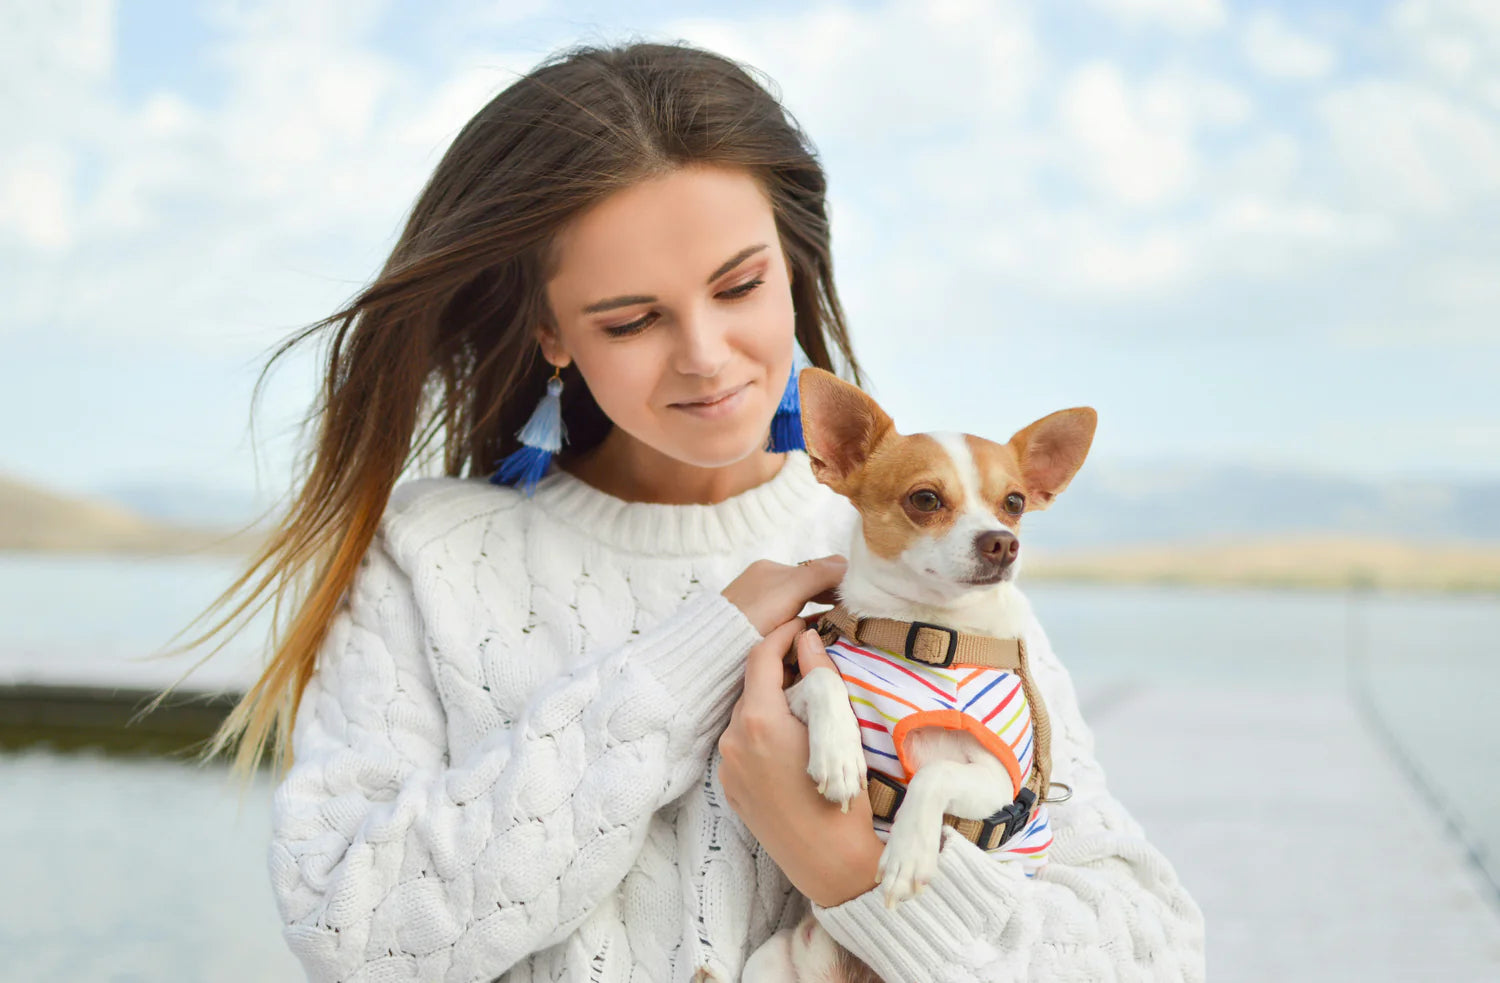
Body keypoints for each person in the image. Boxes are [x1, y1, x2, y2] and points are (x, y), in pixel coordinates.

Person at [185, 39, 1205, 982]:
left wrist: (849, 869)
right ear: (550, 330)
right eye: (631, 319)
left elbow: (1150, 948)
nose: (706, 356)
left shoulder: (915, 558)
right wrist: (690, 661)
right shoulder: (433, 557)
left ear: (792, 267)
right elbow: (351, 933)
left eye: (741, 285)